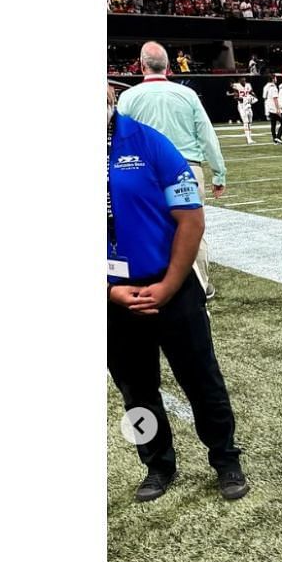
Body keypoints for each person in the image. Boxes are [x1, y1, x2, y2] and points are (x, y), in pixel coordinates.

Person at [108, 85, 248, 502]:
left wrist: (169, 285)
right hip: (113, 298)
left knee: (202, 380)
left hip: (172, 288)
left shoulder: (151, 143)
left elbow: (191, 220)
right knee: (134, 392)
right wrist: (108, 289)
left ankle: (226, 459)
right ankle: (155, 464)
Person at [116, 42, 228, 298]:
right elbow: (207, 135)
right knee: (192, 230)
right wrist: (219, 172)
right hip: (185, 171)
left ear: (142, 65)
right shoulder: (187, 95)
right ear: (168, 66)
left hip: (143, 173)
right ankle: (199, 288)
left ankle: (151, 282)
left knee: (147, 228)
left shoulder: (129, 97)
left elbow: (118, 139)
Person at [229, 78, 257, 144]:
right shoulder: (237, 86)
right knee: (246, 122)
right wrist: (245, 99)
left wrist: (253, 98)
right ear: (239, 81)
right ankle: (248, 139)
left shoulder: (248, 85)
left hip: (248, 105)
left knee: (250, 122)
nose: (244, 82)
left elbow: (252, 93)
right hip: (242, 106)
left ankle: (250, 138)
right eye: (242, 81)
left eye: (244, 80)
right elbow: (236, 97)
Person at [262, 72, 282, 143]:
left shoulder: (266, 86)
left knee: (273, 124)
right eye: (275, 78)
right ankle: (278, 137)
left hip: (269, 107)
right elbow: (275, 99)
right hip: (274, 107)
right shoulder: (273, 88)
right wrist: (278, 109)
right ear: (273, 79)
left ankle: (275, 139)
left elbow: (264, 97)